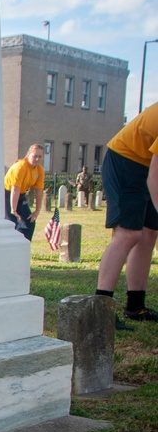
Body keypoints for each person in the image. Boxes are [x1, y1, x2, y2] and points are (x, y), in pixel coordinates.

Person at [95, 102, 158, 323]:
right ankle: (101, 311)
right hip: (125, 159)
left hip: (147, 163)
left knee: (149, 233)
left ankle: (135, 307)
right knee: (129, 233)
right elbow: (155, 178)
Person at [4, 144, 45, 241]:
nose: (37, 159)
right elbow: (15, 189)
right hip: (7, 194)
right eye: (34, 156)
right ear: (28, 155)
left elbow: (39, 192)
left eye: (40, 157)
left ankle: (23, 247)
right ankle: (10, 248)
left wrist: (37, 211)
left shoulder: (40, 170)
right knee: (12, 222)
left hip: (21, 195)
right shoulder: (20, 167)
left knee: (29, 222)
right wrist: (13, 210)